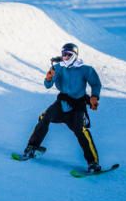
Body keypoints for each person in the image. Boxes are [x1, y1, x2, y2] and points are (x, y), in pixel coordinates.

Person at [23, 43, 103, 173]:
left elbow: (95, 83)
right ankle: (32, 147)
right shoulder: (58, 68)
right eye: (63, 54)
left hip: (78, 105)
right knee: (44, 117)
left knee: (80, 130)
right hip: (62, 103)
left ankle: (93, 163)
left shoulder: (85, 69)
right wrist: (48, 79)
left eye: (68, 54)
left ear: (75, 55)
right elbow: (48, 85)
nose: (65, 57)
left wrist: (94, 97)